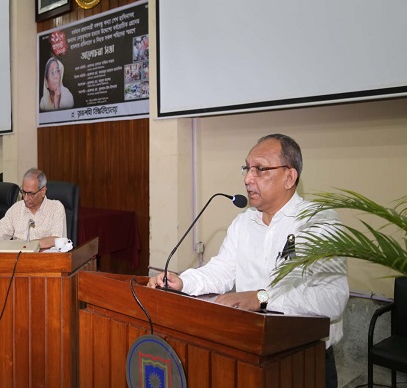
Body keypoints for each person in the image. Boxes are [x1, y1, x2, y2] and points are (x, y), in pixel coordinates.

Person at [148, 134, 349, 388]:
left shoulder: (318, 223)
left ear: (289, 177)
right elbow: (222, 270)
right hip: (249, 355)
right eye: (247, 168)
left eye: (260, 169)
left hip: (304, 362)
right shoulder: (244, 222)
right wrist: (183, 281)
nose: (247, 179)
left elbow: (332, 299)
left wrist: (261, 298)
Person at [0, 168, 66, 249]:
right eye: (23, 192)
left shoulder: (56, 208)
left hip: (44, 255)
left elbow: (57, 239)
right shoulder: (16, 209)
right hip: (18, 255)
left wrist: (26, 245)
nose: (25, 198)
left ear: (43, 191)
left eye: (31, 193)